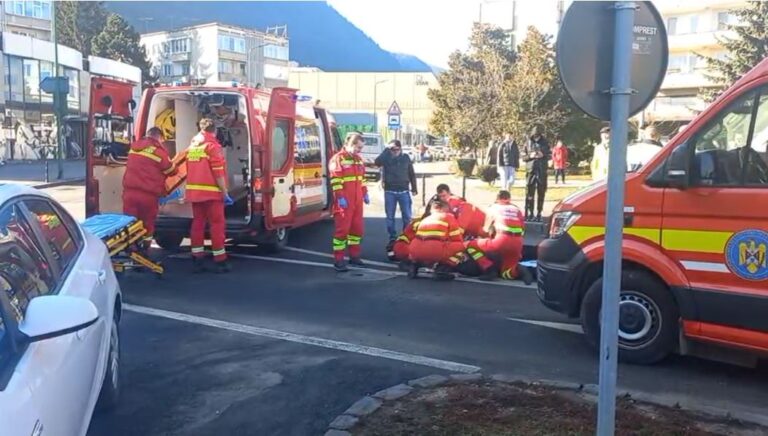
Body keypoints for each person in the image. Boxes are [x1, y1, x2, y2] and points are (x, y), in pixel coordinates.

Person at [185, 118, 233, 274]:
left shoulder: (192, 146)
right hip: (212, 193)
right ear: (215, 131)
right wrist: (224, 192)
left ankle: (197, 258)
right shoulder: (213, 146)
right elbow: (218, 172)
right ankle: (220, 260)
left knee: (198, 224)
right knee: (217, 225)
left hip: (195, 192)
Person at [122, 127, 176, 248]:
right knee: (147, 223)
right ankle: (145, 248)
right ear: (159, 137)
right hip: (147, 195)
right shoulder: (158, 152)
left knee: (129, 222)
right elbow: (171, 170)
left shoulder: (134, 147)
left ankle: (130, 247)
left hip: (129, 193)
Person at [465, 190, 533, 284]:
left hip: (501, 240)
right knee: (506, 272)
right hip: (517, 243)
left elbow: (486, 230)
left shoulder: (494, 208)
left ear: (497, 199)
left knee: (468, 245)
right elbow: (523, 230)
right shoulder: (517, 210)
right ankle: (518, 270)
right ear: (509, 199)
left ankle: (489, 269)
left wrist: (480, 237)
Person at [330, 132, 369, 272]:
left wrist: (365, 193)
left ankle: (354, 256)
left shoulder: (358, 159)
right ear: (349, 144)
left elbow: (362, 179)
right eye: (358, 147)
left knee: (357, 230)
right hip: (345, 201)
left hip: (357, 201)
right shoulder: (338, 159)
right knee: (342, 231)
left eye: (361, 148)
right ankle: (338, 260)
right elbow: (335, 180)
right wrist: (340, 197)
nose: (360, 150)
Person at [408, 199, 466, 280]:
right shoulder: (448, 217)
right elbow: (457, 239)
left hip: (415, 250)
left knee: (425, 250)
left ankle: (414, 265)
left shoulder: (425, 219)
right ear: (443, 208)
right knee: (462, 246)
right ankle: (443, 269)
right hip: (434, 249)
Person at [375, 139, 418, 242]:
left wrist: (414, 188)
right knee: (390, 216)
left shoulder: (405, 157)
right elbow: (377, 162)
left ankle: (405, 236)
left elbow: (411, 173)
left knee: (407, 216)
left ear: (400, 149)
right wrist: (386, 150)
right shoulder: (386, 157)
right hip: (390, 191)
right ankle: (392, 237)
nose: (394, 151)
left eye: (396, 149)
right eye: (392, 149)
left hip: (404, 191)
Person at [522, 126, 551, 222]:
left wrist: (543, 155)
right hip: (531, 169)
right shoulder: (528, 142)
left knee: (541, 192)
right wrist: (530, 156)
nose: (536, 137)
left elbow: (550, 155)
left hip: (542, 170)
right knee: (529, 192)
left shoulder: (545, 142)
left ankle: (539, 212)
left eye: (537, 136)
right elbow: (523, 157)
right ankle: (530, 213)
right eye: (534, 136)